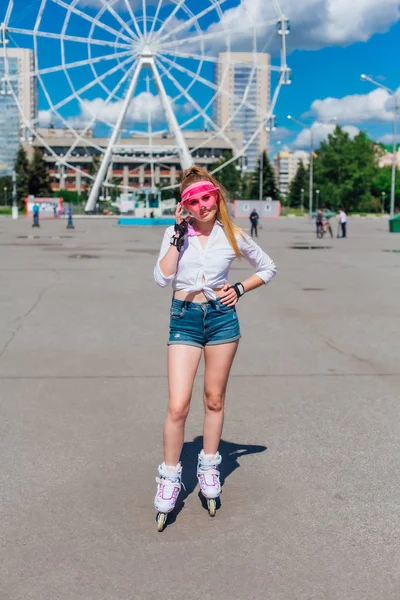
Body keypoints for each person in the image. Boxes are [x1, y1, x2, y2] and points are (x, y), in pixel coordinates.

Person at [153, 165, 277, 530]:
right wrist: (177, 237)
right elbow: (162, 278)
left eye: (206, 197)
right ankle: (170, 476)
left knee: (214, 398)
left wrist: (239, 289)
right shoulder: (176, 234)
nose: (202, 205)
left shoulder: (232, 234)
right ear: (184, 206)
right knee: (178, 405)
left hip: (222, 319)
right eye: (193, 200)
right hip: (184, 316)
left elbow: (268, 268)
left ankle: (209, 466)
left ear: (216, 197)